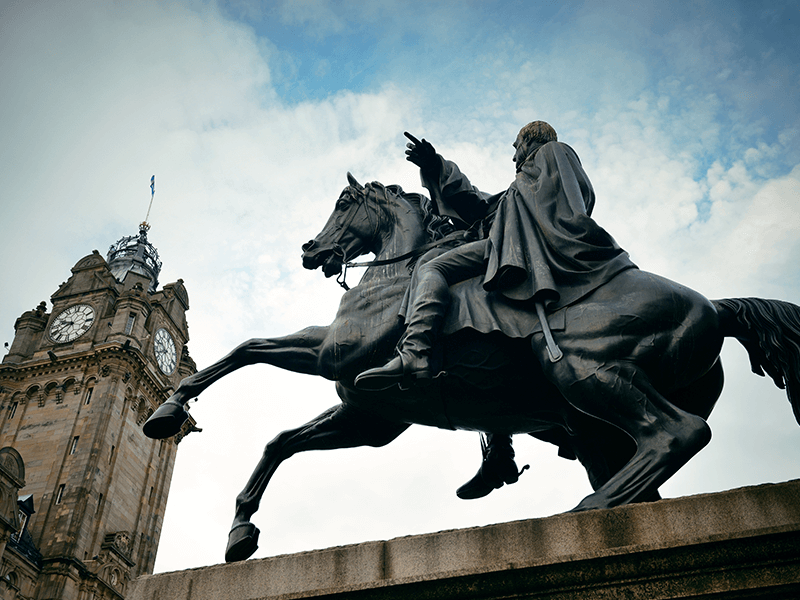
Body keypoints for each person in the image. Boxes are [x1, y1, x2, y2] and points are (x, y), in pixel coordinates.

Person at [356, 122, 637, 498]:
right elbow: (472, 200)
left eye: (516, 146)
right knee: (479, 339)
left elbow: (550, 209)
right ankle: (499, 451)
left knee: (434, 269)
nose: (513, 155)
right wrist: (434, 165)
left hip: (509, 255)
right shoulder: (516, 193)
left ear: (530, 142)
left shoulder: (540, 169)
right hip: (503, 255)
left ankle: (415, 351)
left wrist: (441, 172)